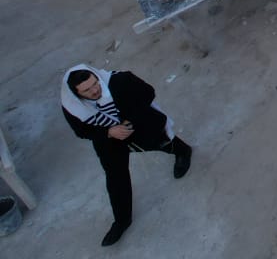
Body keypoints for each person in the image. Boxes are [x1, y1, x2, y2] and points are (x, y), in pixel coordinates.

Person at [62, 64, 193, 247]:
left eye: (95, 83)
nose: (95, 90)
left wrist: (128, 122)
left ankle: (183, 151)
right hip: (109, 139)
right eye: (87, 90)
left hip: (139, 124)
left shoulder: (120, 80)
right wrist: (108, 132)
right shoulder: (72, 107)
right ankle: (122, 221)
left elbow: (148, 93)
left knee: (161, 143)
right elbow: (81, 130)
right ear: (76, 94)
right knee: (116, 178)